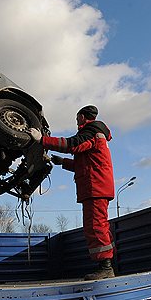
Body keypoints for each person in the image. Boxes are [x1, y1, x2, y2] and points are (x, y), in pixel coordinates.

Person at [29, 105, 115, 280]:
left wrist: (43, 140)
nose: (76, 122)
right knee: (99, 225)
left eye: (77, 118)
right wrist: (63, 162)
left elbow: (71, 145)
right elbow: (83, 164)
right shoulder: (98, 134)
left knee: (95, 226)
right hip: (96, 186)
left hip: (95, 187)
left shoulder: (91, 131)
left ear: (83, 117)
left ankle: (106, 268)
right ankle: (106, 265)